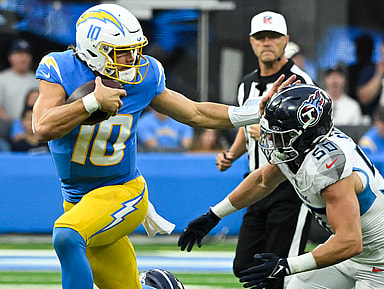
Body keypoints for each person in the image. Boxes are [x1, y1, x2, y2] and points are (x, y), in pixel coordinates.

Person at [32, 4, 282, 289]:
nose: (132, 58)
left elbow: (195, 112)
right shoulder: (60, 68)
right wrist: (91, 103)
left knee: (66, 235)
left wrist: (253, 112)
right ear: (92, 50)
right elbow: (42, 128)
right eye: (122, 51)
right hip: (78, 200)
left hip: (123, 191)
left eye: (135, 48)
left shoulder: (145, 74)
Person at [179, 83, 384, 289]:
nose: (271, 139)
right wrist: (214, 215)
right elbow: (262, 181)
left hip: (379, 262)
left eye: (281, 133)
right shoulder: (301, 148)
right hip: (353, 254)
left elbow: (350, 242)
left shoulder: (329, 169)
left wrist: (285, 266)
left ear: (306, 134)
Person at [215, 11, 313, 289]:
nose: (266, 42)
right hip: (255, 184)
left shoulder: (299, 81)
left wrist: (270, 133)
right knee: (245, 265)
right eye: (261, 37)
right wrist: (234, 153)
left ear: (285, 41)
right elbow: (245, 128)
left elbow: (315, 133)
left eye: (273, 37)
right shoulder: (246, 83)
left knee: (279, 270)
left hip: (290, 186)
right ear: (251, 42)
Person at [0, 38, 39, 121]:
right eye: (19, 54)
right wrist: (12, 126)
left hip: (32, 127)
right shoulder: (2, 79)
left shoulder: (37, 79)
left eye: (26, 54)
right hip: (7, 127)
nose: (23, 58)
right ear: (10, 57)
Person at [347, 34, 384, 119]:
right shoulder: (370, 70)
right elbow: (363, 98)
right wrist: (378, 74)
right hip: (375, 121)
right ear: (381, 48)